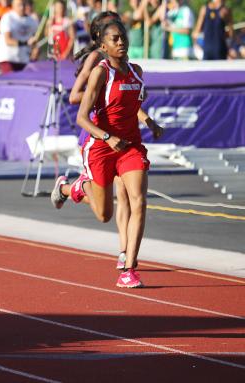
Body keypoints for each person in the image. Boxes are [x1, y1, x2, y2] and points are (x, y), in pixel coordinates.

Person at [53, 20, 158, 288]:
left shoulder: (137, 71)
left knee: (139, 201)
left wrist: (149, 121)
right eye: (115, 39)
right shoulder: (101, 73)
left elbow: (129, 106)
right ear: (103, 46)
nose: (121, 42)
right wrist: (107, 137)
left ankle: (129, 268)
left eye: (123, 38)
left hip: (130, 146)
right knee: (104, 214)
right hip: (101, 147)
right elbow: (81, 117)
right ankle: (71, 187)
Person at [0, 0, 39, 74]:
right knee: (12, 82)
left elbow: (33, 41)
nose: (22, 7)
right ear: (13, 5)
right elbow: (8, 40)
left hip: (23, 59)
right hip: (8, 58)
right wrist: (25, 43)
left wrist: (35, 49)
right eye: (19, 5)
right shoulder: (8, 18)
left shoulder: (32, 21)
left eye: (23, 5)